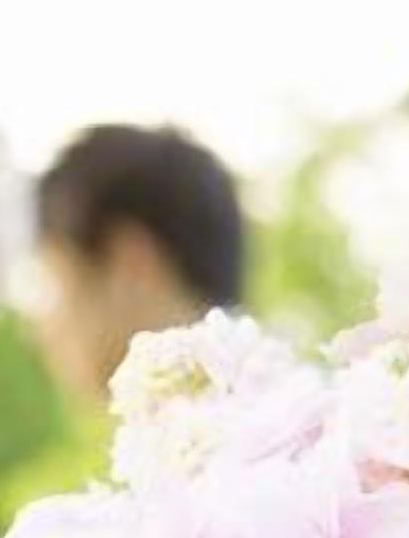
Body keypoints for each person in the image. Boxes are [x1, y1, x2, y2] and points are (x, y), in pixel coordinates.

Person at [27, 123, 249, 399]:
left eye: (50, 284)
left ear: (130, 265)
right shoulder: (291, 412)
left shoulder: (214, 433)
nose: (38, 330)